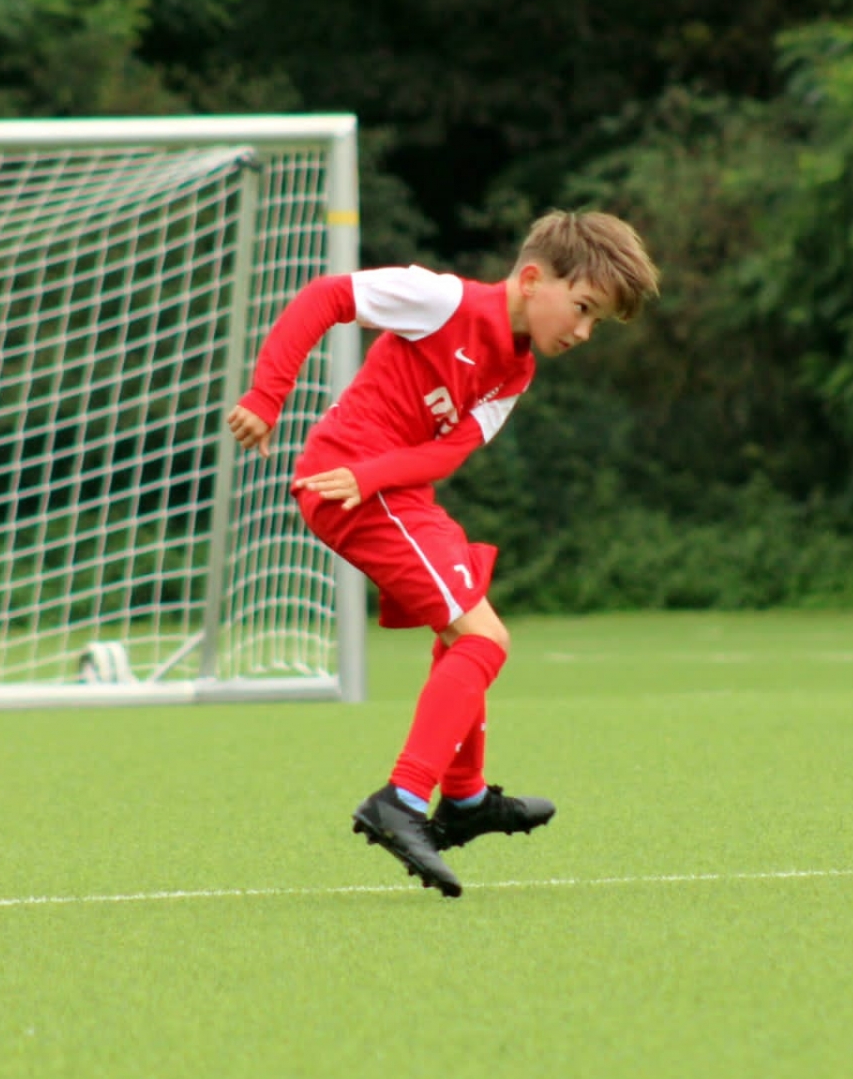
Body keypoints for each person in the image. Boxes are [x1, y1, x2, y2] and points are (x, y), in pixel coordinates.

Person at [225, 210, 659, 898]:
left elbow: (449, 452)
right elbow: (326, 296)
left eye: (596, 323)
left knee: (463, 630)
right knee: (485, 638)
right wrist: (266, 396)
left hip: (388, 490)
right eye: (583, 308)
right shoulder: (441, 300)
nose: (582, 332)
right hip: (349, 485)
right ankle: (401, 799)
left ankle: (464, 799)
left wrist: (374, 475)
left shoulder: (516, 371)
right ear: (531, 279)